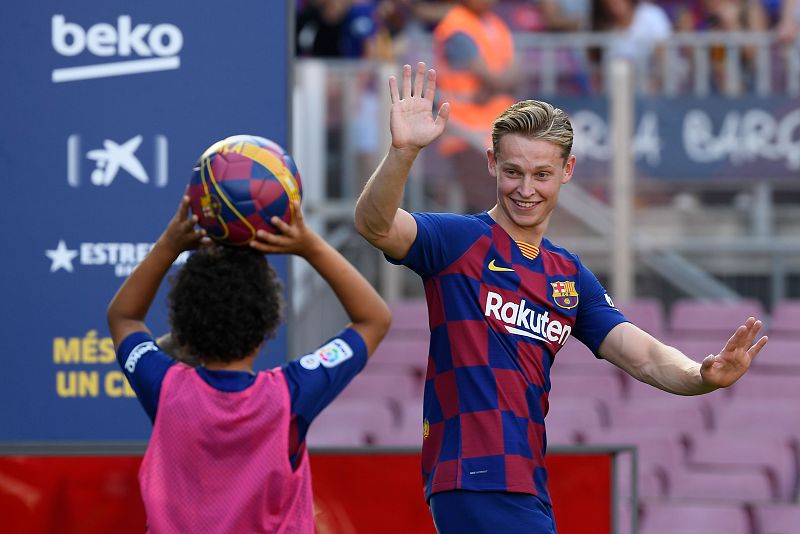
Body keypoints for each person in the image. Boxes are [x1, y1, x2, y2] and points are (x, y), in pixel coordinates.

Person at [353, 62, 769, 533]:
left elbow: (645, 356)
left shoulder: (568, 276)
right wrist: (403, 153)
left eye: (541, 174)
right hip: (473, 475)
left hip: (528, 483)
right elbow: (376, 225)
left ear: (567, 171)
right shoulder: (456, 241)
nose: (525, 189)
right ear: (491, 163)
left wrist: (701, 375)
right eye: (512, 171)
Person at [107, 195, 391, 532]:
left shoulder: (166, 388)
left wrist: (169, 244)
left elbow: (123, 318)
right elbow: (373, 319)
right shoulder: (291, 395)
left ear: (184, 331)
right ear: (265, 327)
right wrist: (309, 245)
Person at [431, 0, 520, 212]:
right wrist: (499, 83)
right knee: (484, 207)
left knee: (499, 206)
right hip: (466, 133)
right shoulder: (456, 25)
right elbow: (492, 77)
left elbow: (516, 73)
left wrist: (496, 84)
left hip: (499, 131)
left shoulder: (496, 24)